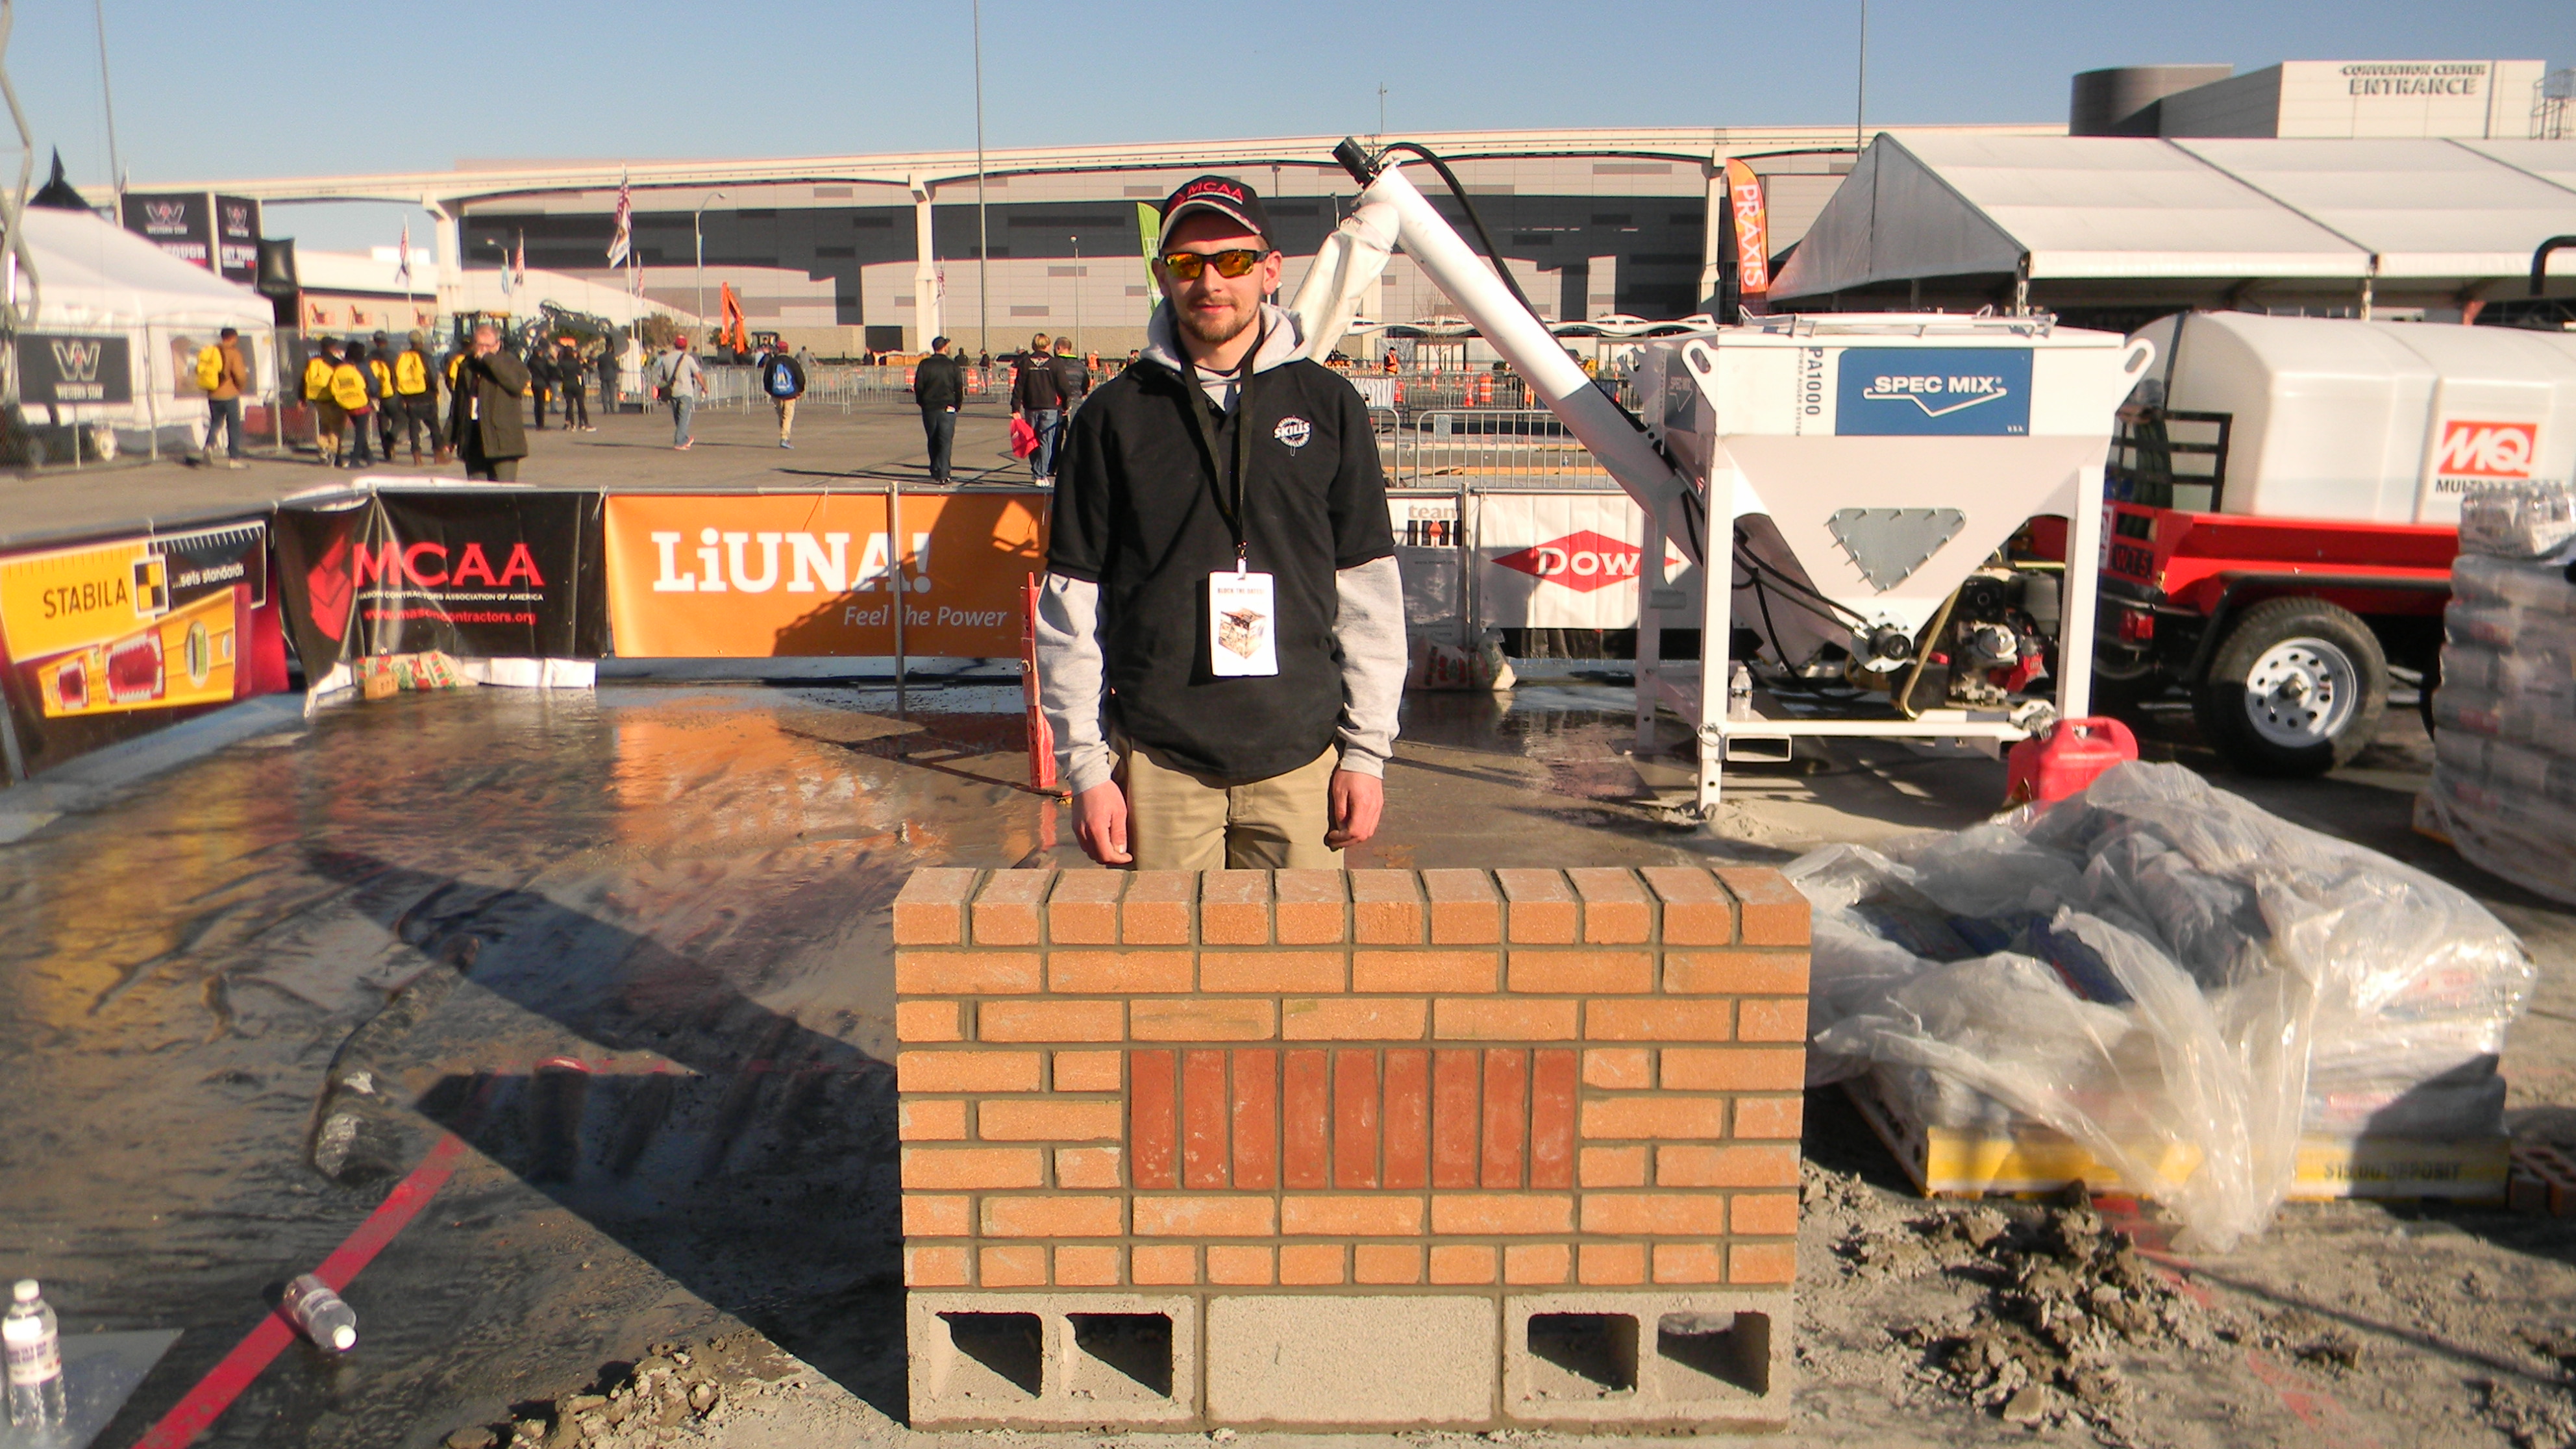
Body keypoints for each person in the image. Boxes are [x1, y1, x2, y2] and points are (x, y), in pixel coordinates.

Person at [1036, 175, 1405, 871]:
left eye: (1231, 260)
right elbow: (1071, 609)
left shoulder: (1328, 406)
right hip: (1158, 766)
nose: (1209, 280)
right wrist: (1085, 769)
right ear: (1161, 275)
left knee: (1299, 974)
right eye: (1186, 263)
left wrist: (1366, 752)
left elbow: (1368, 595)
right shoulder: (1111, 417)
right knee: (1170, 976)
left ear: (1270, 270)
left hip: (1302, 762)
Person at [448, 322, 531, 480]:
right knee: (479, 493)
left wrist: (489, 359)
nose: (483, 350)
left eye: (488, 346)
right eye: (480, 346)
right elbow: (458, 404)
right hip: (473, 437)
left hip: (502, 441)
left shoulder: (510, 363)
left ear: (498, 344)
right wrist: (450, 438)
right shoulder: (467, 366)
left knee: (503, 493)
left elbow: (515, 385)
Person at [1009, 330, 1067, 484]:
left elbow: (1018, 387)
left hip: (1031, 407)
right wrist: (1065, 405)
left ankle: (1037, 471)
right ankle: (1041, 474)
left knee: (1032, 440)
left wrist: (1015, 408)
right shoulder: (1055, 363)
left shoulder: (1026, 363)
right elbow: (1063, 387)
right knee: (1045, 441)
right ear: (1048, 346)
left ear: (1034, 346)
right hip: (1050, 407)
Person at [913, 334, 964, 482]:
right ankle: (944, 472)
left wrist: (922, 402)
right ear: (945, 347)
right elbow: (958, 387)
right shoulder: (952, 365)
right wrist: (957, 405)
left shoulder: (925, 364)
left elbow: (919, 386)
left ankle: (935, 468)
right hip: (947, 406)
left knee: (933, 438)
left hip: (929, 407)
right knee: (945, 440)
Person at [198, 326, 249, 469]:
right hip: (230, 394)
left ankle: (209, 446)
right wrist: (241, 387)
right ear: (233, 338)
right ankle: (234, 458)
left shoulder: (212, 351)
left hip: (213, 394)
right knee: (233, 426)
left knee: (216, 422)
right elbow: (240, 375)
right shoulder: (234, 353)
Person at [391, 330, 441, 465]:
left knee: (414, 427)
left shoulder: (403, 357)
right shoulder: (426, 357)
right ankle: (438, 456)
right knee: (434, 427)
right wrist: (435, 389)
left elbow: (397, 377)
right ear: (421, 342)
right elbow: (432, 375)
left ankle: (417, 458)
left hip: (409, 397)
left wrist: (402, 395)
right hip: (426, 396)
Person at [654, 334, 706, 450]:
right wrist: (704, 387)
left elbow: (662, 376)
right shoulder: (688, 359)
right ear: (686, 346)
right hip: (685, 391)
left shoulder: (666, 358)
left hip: (672, 391)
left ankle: (684, 439)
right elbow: (698, 374)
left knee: (678, 417)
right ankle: (679, 441)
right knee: (684, 417)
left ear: (674, 345)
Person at [333, 341, 377, 466]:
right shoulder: (364, 367)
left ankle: (369, 457)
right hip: (362, 403)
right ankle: (355, 460)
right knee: (360, 432)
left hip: (346, 403)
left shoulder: (342, 367)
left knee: (359, 430)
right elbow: (373, 386)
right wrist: (372, 394)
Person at [760, 339, 806, 449]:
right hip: (791, 393)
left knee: (781, 416)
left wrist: (770, 391)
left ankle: (784, 435)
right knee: (788, 416)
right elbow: (800, 377)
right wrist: (800, 390)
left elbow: (767, 378)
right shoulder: (792, 362)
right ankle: (785, 438)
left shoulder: (772, 362)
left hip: (776, 393)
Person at [306, 339, 346, 467]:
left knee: (324, 426)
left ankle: (322, 449)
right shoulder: (336, 363)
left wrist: (302, 398)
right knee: (336, 428)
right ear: (333, 347)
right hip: (334, 399)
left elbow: (304, 380)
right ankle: (332, 453)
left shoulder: (313, 362)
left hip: (318, 399)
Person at [367, 332, 400, 461]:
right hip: (391, 392)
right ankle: (392, 438)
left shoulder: (369, 356)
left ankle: (387, 449)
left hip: (376, 394)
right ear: (386, 341)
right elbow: (397, 374)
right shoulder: (393, 356)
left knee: (382, 421)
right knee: (401, 418)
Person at [558, 339, 593, 432]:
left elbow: (558, 373)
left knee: (569, 405)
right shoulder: (576, 362)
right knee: (581, 404)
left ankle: (572, 425)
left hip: (566, 384)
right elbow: (580, 372)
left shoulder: (561, 363)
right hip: (576, 384)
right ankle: (585, 423)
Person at [1052, 335, 1091, 415]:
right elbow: (1085, 386)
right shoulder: (1081, 366)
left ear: (1058, 348)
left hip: (1057, 404)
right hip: (1075, 402)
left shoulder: (1053, 364)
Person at [527, 340, 557, 430]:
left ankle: (538, 423)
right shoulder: (542, 361)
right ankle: (541, 424)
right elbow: (546, 371)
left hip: (534, 383)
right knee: (541, 404)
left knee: (537, 403)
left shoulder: (531, 361)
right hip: (542, 383)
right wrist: (548, 382)